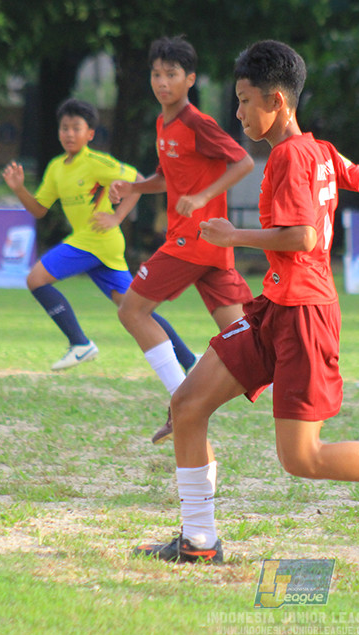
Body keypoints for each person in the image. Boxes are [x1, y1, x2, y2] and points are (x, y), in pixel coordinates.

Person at [133, 40, 359, 564]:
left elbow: (302, 237)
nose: (238, 113)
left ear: (277, 100)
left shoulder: (291, 156)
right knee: (187, 405)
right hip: (274, 308)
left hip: (304, 316)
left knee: (302, 458)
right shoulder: (320, 152)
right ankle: (198, 542)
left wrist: (233, 236)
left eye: (245, 101)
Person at [109, 36, 255, 444]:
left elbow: (243, 161)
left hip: (193, 238)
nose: (162, 82)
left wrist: (204, 197)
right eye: (156, 74)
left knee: (132, 311)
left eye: (171, 74)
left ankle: (180, 400)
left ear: (190, 79)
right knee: (246, 338)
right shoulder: (164, 124)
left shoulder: (196, 122)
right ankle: (299, 369)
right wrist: (134, 187)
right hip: (209, 246)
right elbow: (167, 178)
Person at [3, 98, 195, 373]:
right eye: (64, 128)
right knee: (135, 310)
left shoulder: (96, 162)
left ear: (90, 134)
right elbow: (39, 210)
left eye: (76, 128)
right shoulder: (56, 167)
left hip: (96, 239)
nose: (69, 134)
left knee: (35, 279)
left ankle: (79, 343)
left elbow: (138, 181)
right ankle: (189, 360)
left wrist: (117, 217)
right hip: (96, 244)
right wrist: (19, 189)